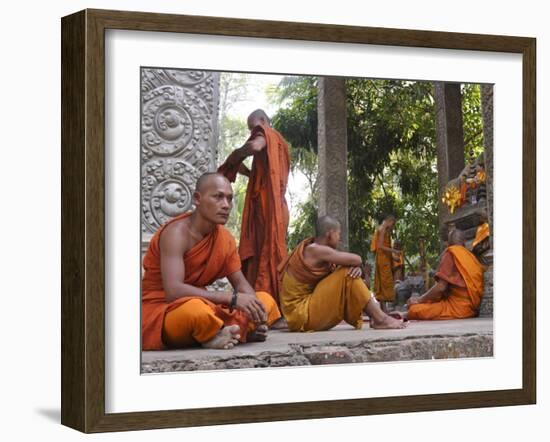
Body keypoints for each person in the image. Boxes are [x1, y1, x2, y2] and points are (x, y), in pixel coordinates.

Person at [141, 172, 282, 351]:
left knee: (265, 299)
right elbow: (173, 291)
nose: (226, 205)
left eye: (229, 199)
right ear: (197, 199)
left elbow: (241, 285)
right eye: (218, 197)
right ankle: (224, 331)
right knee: (196, 312)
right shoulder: (176, 234)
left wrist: (257, 313)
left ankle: (218, 332)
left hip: (205, 305)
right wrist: (231, 299)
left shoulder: (225, 239)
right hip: (163, 310)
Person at [278, 215, 407, 332]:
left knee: (349, 274)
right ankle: (380, 319)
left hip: (304, 311)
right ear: (330, 234)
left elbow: (337, 279)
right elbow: (357, 259)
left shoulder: (318, 252)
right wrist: (353, 266)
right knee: (346, 272)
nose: (339, 238)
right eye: (338, 234)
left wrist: (356, 269)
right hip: (301, 313)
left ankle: (377, 318)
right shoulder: (315, 249)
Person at [217, 109, 290, 303]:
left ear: (263, 122)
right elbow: (263, 169)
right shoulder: (282, 144)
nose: (253, 131)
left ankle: (268, 302)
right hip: (277, 205)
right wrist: (247, 171)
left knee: (267, 250)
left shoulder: (267, 134)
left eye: (254, 127)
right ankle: (265, 300)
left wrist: (235, 155)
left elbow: (255, 146)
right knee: (266, 250)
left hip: (267, 206)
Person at [406, 229, 486, 320]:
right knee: (427, 304)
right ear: (464, 242)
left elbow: (441, 287)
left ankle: (404, 315)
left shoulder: (451, 253)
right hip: (472, 308)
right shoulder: (471, 256)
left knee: (414, 309)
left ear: (448, 243)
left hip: (457, 308)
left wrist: (419, 299)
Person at [371, 214, 401, 311]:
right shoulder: (383, 228)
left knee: (382, 282)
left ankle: (383, 309)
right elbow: (380, 246)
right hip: (382, 259)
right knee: (385, 282)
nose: (392, 227)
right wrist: (394, 251)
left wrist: (393, 257)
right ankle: (384, 309)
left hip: (384, 258)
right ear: (389, 221)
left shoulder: (383, 229)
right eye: (393, 224)